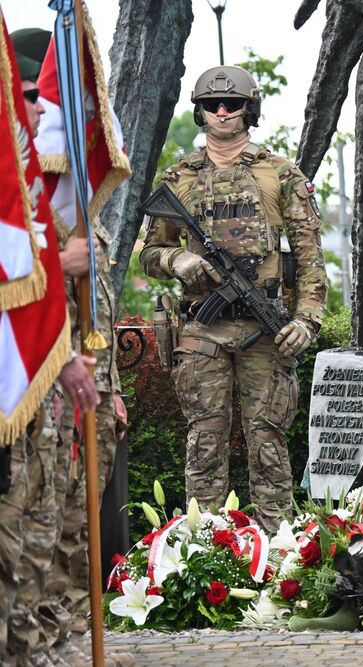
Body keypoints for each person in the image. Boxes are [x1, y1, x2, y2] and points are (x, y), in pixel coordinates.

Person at [140, 66, 327, 532]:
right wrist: (176, 261)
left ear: (250, 109)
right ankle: (205, 549)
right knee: (204, 440)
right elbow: (149, 253)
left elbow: (310, 261)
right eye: (211, 105)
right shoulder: (179, 177)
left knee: (268, 442)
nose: (222, 112)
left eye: (233, 104)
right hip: (202, 330)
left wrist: (306, 323)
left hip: (267, 331)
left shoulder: (280, 174)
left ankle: (279, 554)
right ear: (200, 112)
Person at [2, 28, 101, 666]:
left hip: (50, 381)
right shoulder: (17, 194)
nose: (39, 109)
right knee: (23, 525)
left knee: (47, 519)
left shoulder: (36, 189)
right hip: (23, 377)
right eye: (27, 96)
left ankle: (42, 639)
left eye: (40, 97)